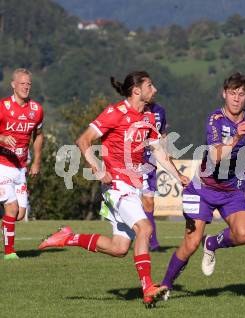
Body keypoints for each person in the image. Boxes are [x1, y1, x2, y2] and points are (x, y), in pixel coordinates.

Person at [39, 71, 189, 308]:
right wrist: (98, 169)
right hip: (117, 185)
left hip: (132, 186)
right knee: (145, 228)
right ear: (136, 90)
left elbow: (159, 151)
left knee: (119, 248)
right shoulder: (115, 113)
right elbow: (83, 141)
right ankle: (148, 287)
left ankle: (67, 237)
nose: (155, 89)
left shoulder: (149, 116)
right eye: (150, 85)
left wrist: (177, 175)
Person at [160, 72, 245, 298]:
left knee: (243, 234)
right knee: (190, 243)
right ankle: (166, 285)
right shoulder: (215, 120)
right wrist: (236, 138)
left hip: (234, 191)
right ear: (224, 94)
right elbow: (216, 156)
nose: (236, 98)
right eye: (232, 93)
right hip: (204, 189)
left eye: (241, 94)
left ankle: (213, 243)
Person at [0, 68, 44, 260]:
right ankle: (9, 253)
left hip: (20, 168)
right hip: (2, 166)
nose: (26, 87)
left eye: (29, 84)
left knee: (19, 214)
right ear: (13, 85)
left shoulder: (36, 110)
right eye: (22, 84)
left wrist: (36, 161)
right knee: (11, 209)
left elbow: (39, 135)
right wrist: (2, 137)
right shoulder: (3, 107)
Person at [141, 102, 167, 251]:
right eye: (149, 86)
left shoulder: (160, 110)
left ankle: (153, 243)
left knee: (149, 202)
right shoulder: (134, 108)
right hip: (133, 160)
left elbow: (162, 134)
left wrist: (166, 152)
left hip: (150, 161)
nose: (153, 90)